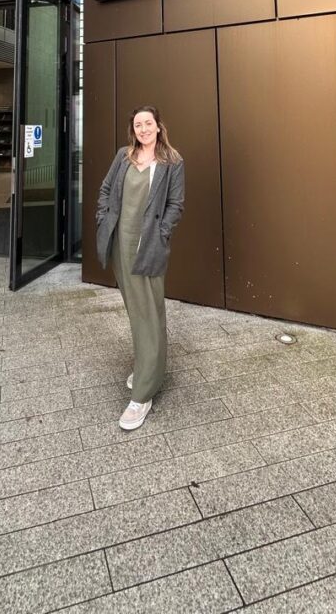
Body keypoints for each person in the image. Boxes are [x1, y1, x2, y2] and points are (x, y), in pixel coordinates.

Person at [95, 105, 185, 430]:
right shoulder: (124, 156)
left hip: (148, 249)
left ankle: (143, 394)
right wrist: (103, 217)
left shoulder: (172, 161)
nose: (143, 129)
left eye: (148, 123)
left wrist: (161, 233)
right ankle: (151, 367)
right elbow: (106, 189)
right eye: (138, 125)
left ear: (159, 126)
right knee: (138, 313)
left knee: (148, 313)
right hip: (121, 247)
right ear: (132, 130)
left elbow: (176, 205)